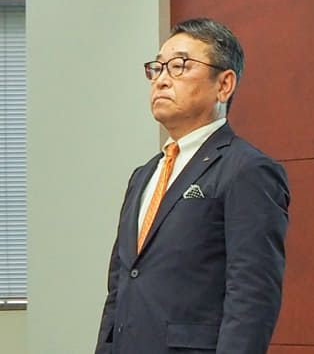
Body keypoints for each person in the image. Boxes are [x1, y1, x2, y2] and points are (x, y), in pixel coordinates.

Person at [95, 18, 290, 354]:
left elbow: (252, 296)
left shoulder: (247, 170)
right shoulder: (143, 175)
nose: (161, 80)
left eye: (179, 66)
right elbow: (121, 285)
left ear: (224, 84)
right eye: (158, 68)